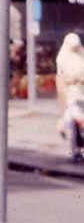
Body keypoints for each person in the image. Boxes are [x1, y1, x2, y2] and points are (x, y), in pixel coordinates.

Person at [56, 32, 84, 162]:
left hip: (79, 96)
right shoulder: (62, 59)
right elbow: (61, 80)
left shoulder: (81, 56)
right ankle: (74, 152)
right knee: (72, 124)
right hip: (71, 97)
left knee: (73, 125)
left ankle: (75, 151)